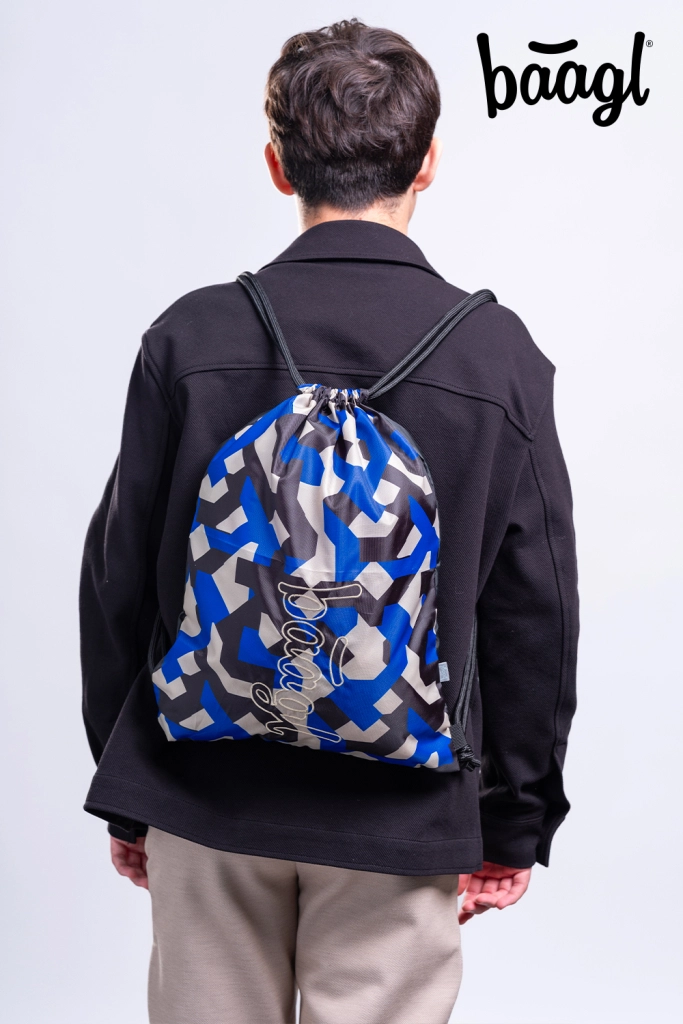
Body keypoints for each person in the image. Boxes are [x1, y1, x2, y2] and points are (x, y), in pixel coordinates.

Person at [80, 18, 579, 1024]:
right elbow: (535, 611)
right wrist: (511, 819)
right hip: (403, 811)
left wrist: (130, 783)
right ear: (426, 162)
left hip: (203, 790)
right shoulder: (496, 358)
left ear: (277, 164)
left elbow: (118, 577)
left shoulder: (191, 335)